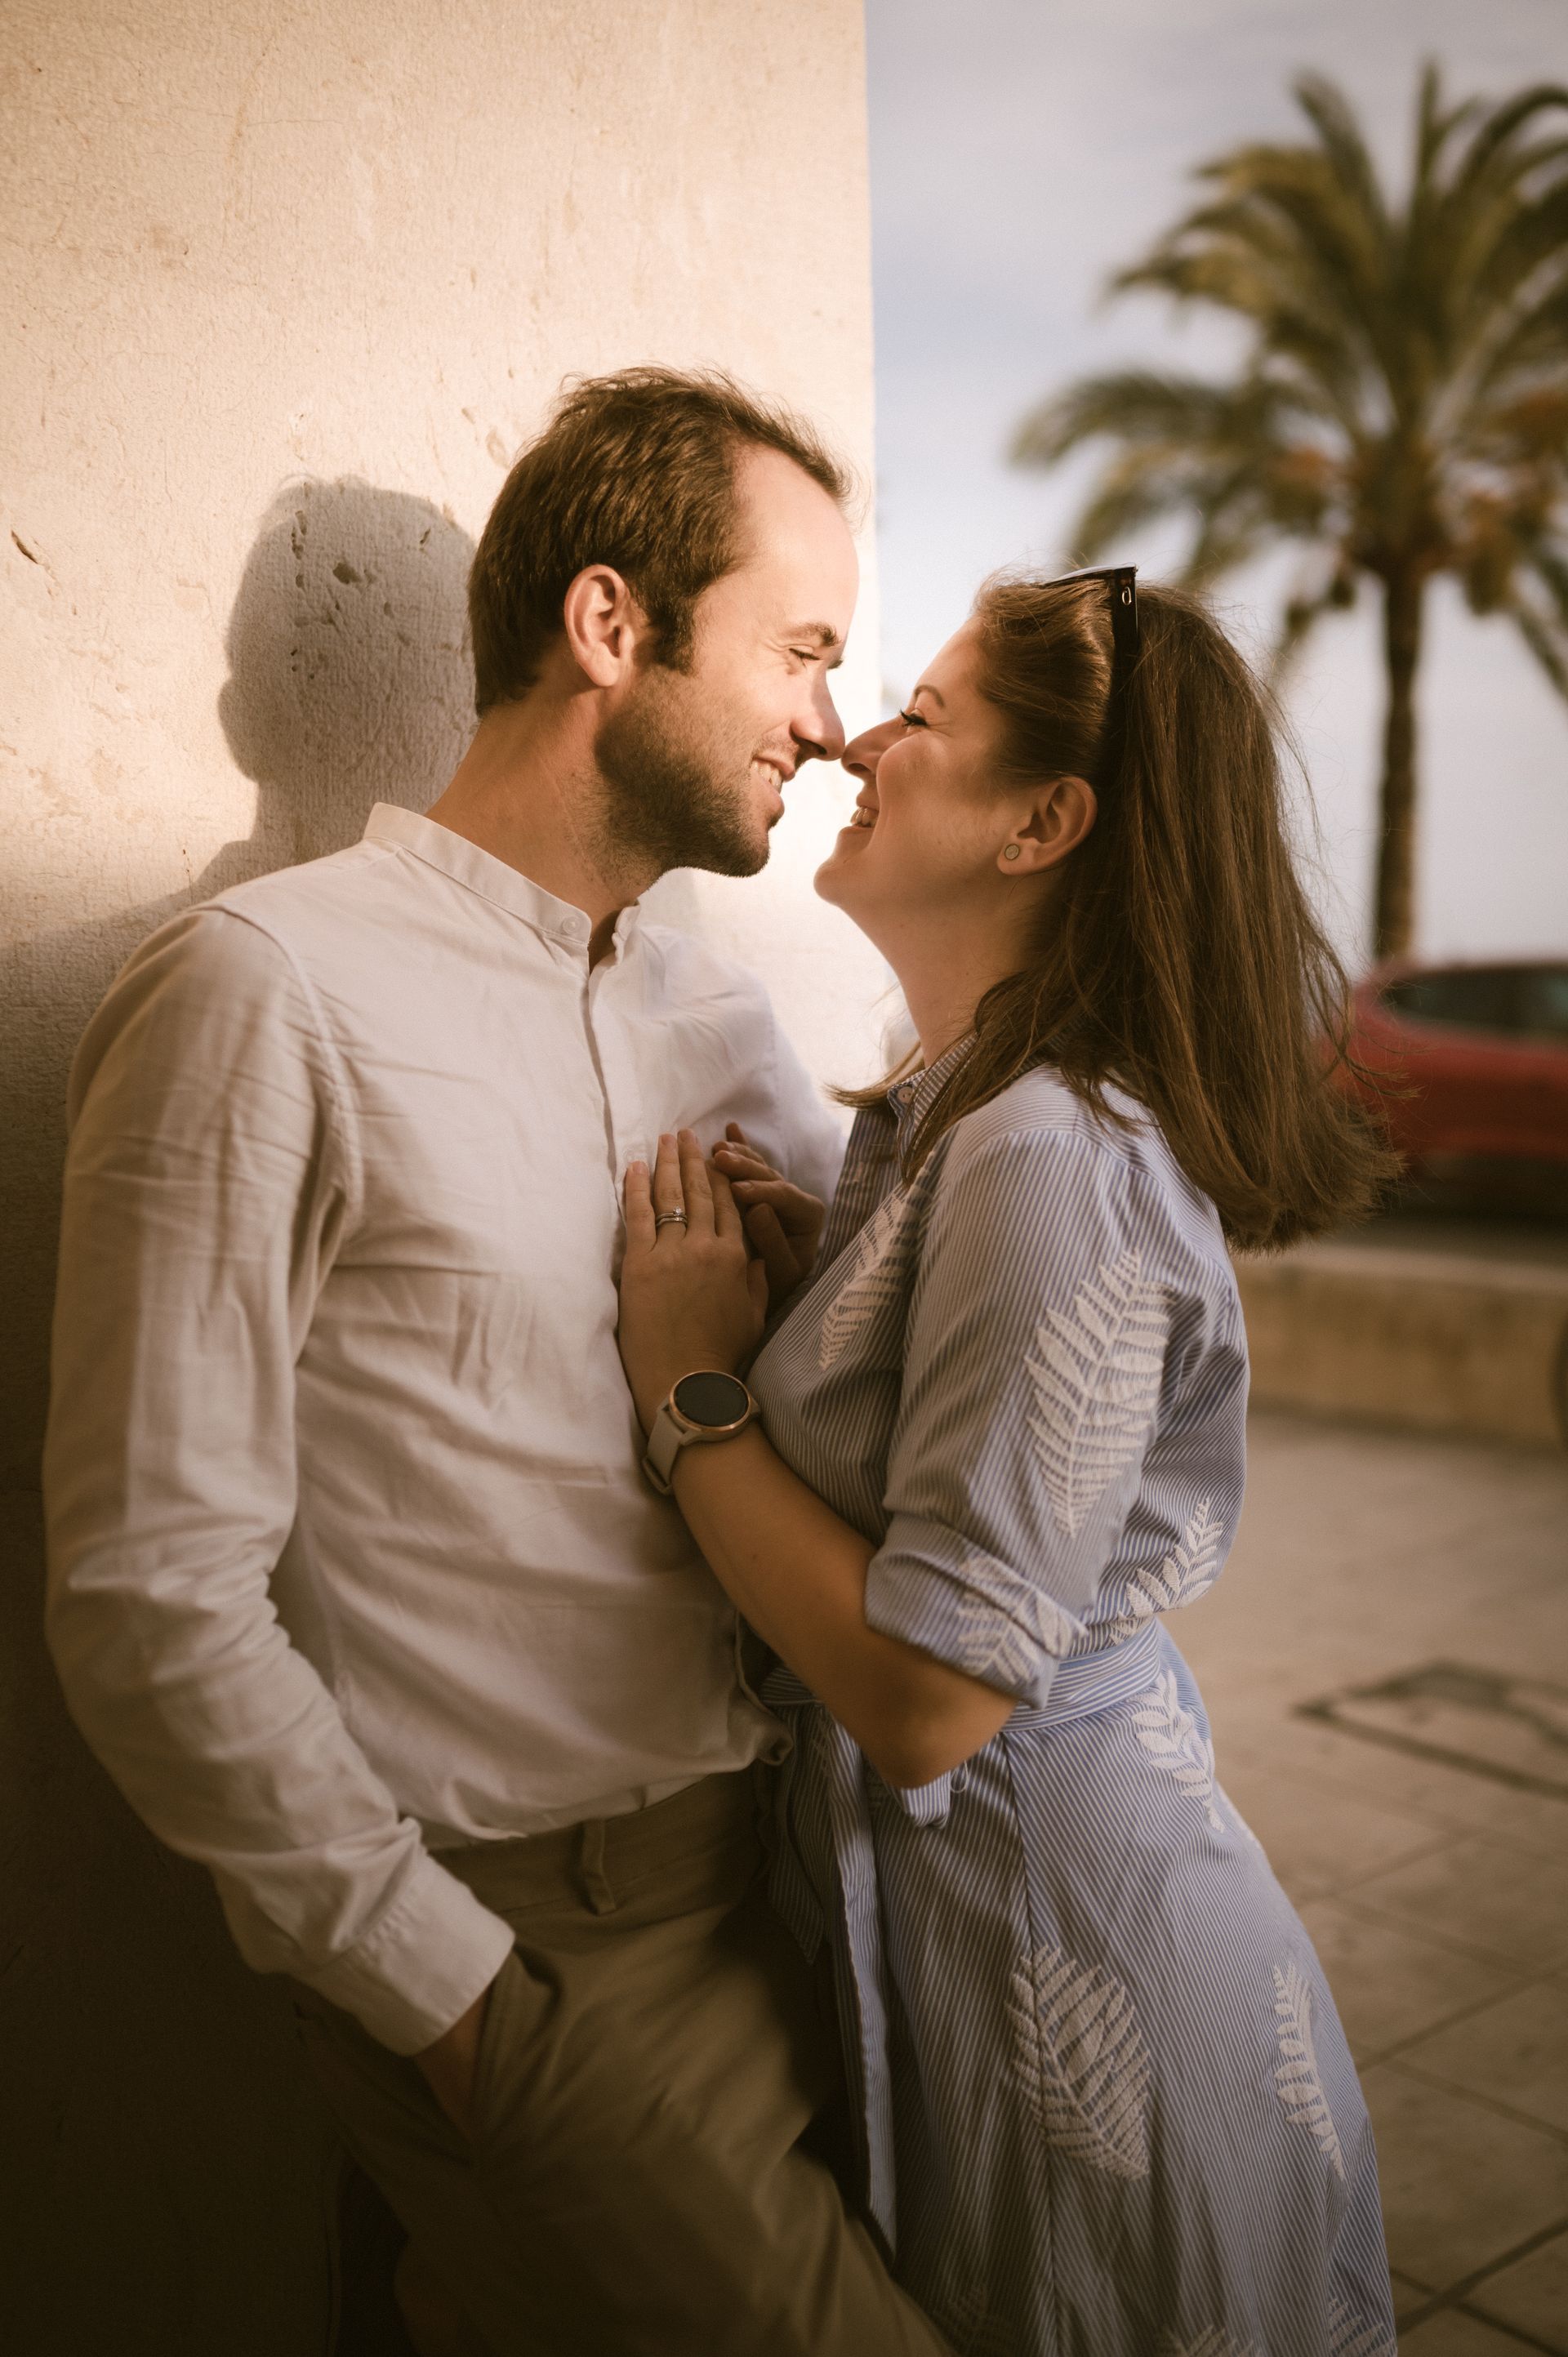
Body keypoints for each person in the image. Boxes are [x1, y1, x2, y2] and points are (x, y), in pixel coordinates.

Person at [43, 368, 951, 2357]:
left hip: (798, 1888)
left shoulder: (721, 1005)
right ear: (611, 626)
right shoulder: (262, 993)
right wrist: (452, 2006)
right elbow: (144, 1594)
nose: (829, 715)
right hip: (539, 1949)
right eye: (799, 650)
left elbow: (905, 1422)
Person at [615, 569, 1401, 2354]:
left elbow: (935, 1701)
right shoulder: (966, 1116)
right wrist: (835, 1283)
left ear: (1044, 822)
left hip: (1088, 1988)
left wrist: (693, 1395)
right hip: (1007, 1951)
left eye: (927, 715)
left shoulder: (1048, 1153)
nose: (857, 744)